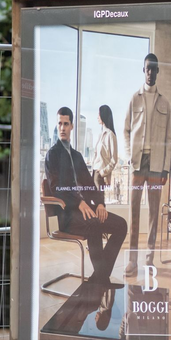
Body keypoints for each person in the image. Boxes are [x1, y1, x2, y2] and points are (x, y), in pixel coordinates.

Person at [44, 107, 127, 283]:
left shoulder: (77, 156)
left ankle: (99, 277)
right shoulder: (52, 155)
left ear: (72, 126)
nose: (62, 128)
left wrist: (100, 204)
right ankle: (101, 279)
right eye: (60, 123)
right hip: (67, 215)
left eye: (66, 124)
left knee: (121, 225)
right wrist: (79, 203)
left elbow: (90, 184)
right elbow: (56, 188)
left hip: (86, 210)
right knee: (94, 224)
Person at [124, 53, 171, 275]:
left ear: (158, 71)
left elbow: (169, 139)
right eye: (147, 69)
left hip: (156, 165)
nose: (151, 73)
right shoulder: (134, 98)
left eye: (154, 69)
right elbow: (126, 130)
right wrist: (128, 156)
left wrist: (165, 168)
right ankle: (132, 261)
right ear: (143, 70)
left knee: (154, 213)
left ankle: (149, 259)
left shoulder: (165, 102)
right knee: (134, 212)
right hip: (137, 163)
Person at [91, 104, 118, 191]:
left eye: (99, 114)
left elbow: (114, 160)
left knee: (99, 202)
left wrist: (102, 172)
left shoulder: (110, 135)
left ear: (103, 115)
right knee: (95, 202)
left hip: (101, 175)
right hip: (94, 172)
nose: (97, 117)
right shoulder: (100, 134)